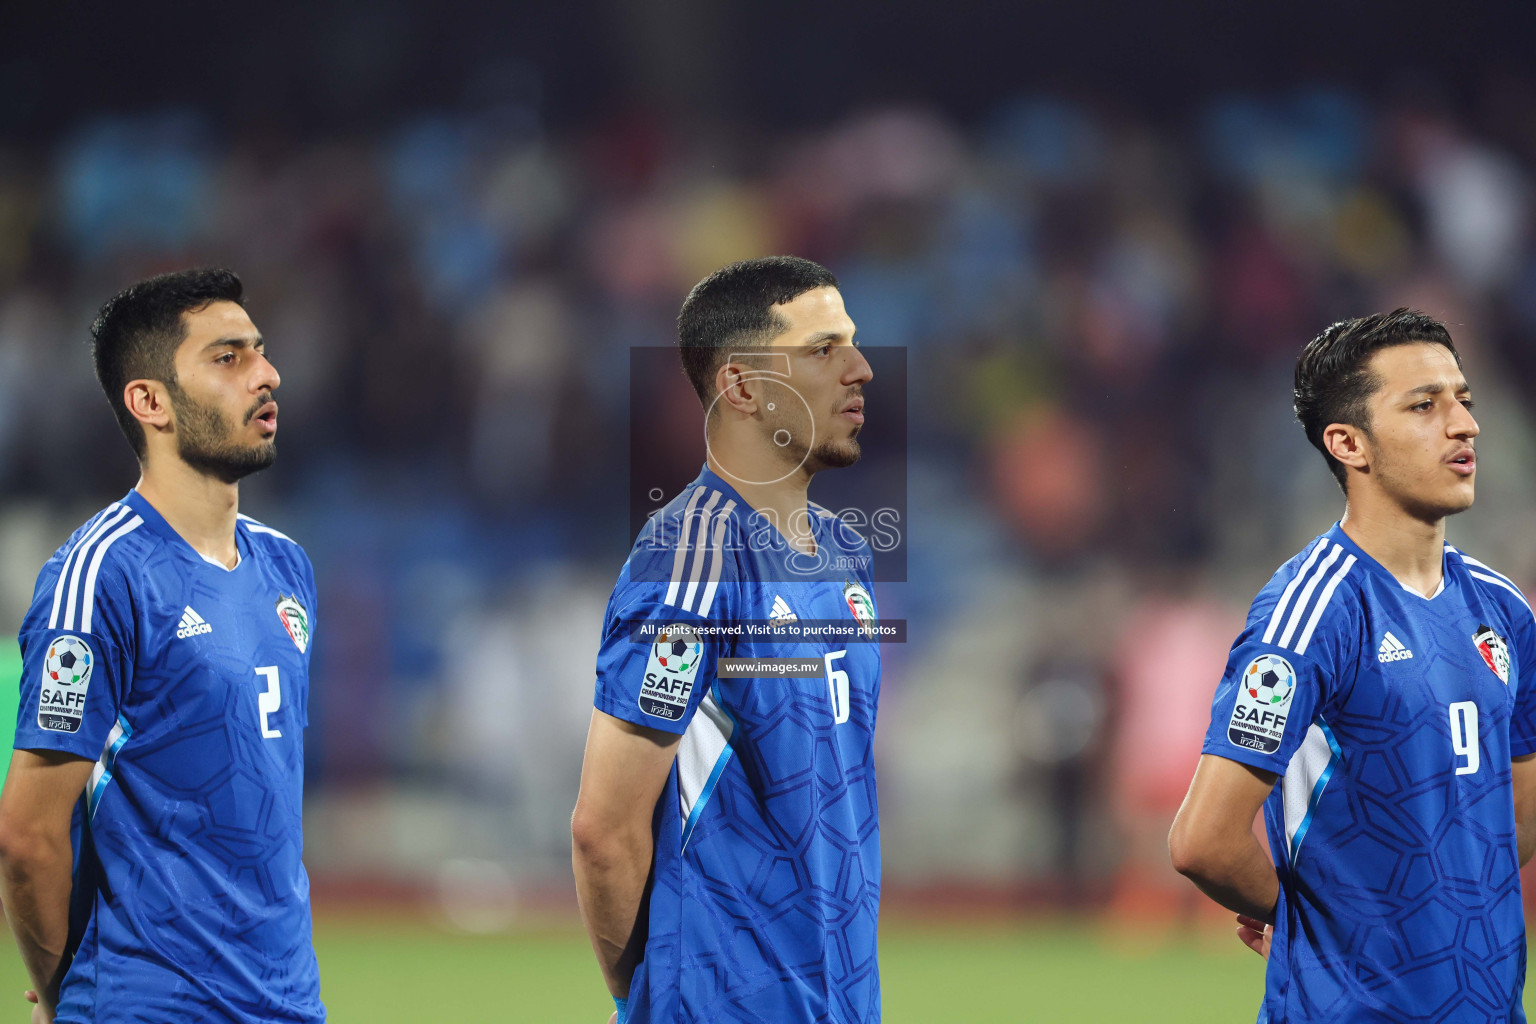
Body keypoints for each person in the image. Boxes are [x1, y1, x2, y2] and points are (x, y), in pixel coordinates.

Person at [1169, 309, 1536, 1021]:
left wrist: (1424, 908)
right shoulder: (1313, 613)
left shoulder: (1503, 610)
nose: (1464, 425)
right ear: (1349, 444)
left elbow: (1519, 809)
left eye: (1463, 400)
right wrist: (1321, 924)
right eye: (1425, 406)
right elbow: (1204, 840)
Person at [0, 269, 324, 1023]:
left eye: (261, 351)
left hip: (288, 1004)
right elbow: (27, 834)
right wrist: (68, 997)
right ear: (149, 402)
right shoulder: (100, 576)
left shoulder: (287, 567)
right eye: (227, 358)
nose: (266, 374)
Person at [572, 256, 883, 1023]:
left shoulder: (846, 553)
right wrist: (640, 1000)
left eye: (851, 343)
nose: (862, 369)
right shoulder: (691, 556)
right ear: (742, 387)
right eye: (822, 350)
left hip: (841, 999)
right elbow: (604, 829)